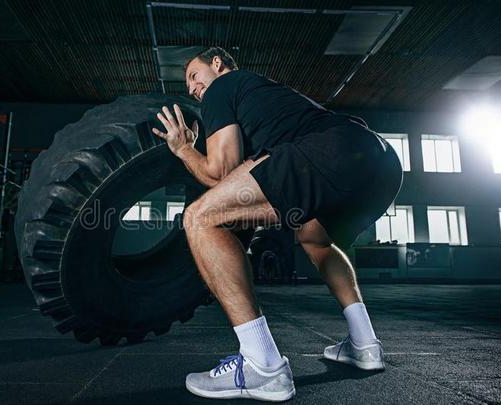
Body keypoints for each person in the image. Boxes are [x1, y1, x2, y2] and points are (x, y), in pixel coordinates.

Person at [152, 47, 402, 401]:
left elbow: (221, 172)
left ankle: (263, 367)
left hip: (330, 150)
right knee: (315, 238)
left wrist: (183, 149)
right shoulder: (265, 101)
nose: (192, 88)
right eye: (189, 83)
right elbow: (247, 174)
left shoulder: (224, 87)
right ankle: (365, 345)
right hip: (381, 163)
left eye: (194, 76)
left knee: (200, 218)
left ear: (218, 65)